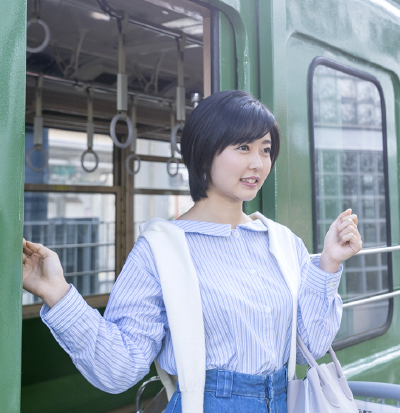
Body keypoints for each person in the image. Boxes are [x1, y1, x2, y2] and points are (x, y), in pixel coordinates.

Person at [22, 90, 362, 413]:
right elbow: (120, 368)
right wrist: (58, 293)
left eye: (265, 149)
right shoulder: (159, 249)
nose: (258, 163)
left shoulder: (282, 242)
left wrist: (329, 263)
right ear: (205, 150)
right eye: (243, 147)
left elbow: (311, 346)